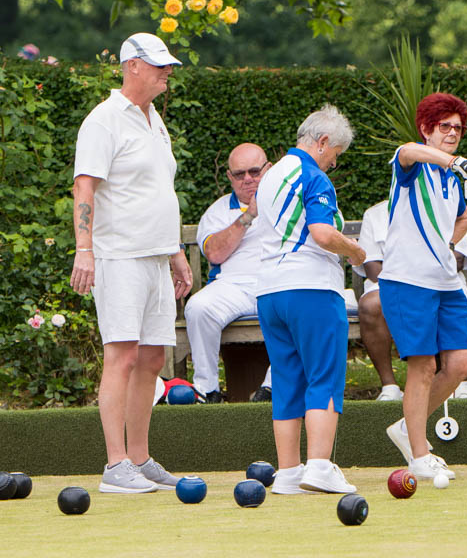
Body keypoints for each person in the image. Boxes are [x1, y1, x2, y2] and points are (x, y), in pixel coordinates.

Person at [69, 33, 191, 494]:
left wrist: (176, 252)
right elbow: (85, 189)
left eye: (168, 64)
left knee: (152, 358)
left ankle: (138, 458)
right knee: (120, 356)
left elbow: (158, 193)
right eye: (158, 64)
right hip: (118, 255)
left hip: (156, 257)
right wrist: (85, 250)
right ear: (131, 66)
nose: (167, 71)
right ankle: (114, 465)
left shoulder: (154, 118)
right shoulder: (103, 121)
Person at [380, 92, 467, 480]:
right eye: (444, 127)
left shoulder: (452, 178)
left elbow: (464, 216)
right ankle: (418, 453)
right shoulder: (412, 162)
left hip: (447, 282)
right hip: (407, 281)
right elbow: (407, 151)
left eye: (458, 129)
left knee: (462, 363)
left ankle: (405, 426)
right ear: (427, 129)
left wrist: (446, 242)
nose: (452, 133)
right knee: (423, 365)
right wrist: (453, 161)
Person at [255, 104, 365, 494]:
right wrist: (353, 249)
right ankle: (319, 465)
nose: (334, 163)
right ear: (322, 142)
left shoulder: (270, 176)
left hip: (269, 291)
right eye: (335, 155)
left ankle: (287, 473)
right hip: (311, 287)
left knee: (287, 380)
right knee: (324, 376)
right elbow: (321, 233)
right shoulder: (313, 175)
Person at [355, 200, 467, 401]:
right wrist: (410, 281)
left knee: (441, 298)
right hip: (390, 284)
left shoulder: (447, 207)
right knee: (370, 305)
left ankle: (458, 383)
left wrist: (419, 281)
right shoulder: (374, 214)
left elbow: (456, 260)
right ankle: (390, 387)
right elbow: (372, 269)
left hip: (441, 281)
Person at [183, 143, 273, 404]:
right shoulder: (218, 211)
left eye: (255, 172)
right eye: (239, 174)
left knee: (300, 306)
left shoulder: (288, 201)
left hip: (278, 283)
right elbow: (214, 254)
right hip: (235, 287)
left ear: (268, 170)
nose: (248, 179)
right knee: (198, 307)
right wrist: (249, 216)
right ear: (229, 177)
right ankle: (207, 389)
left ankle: (271, 389)